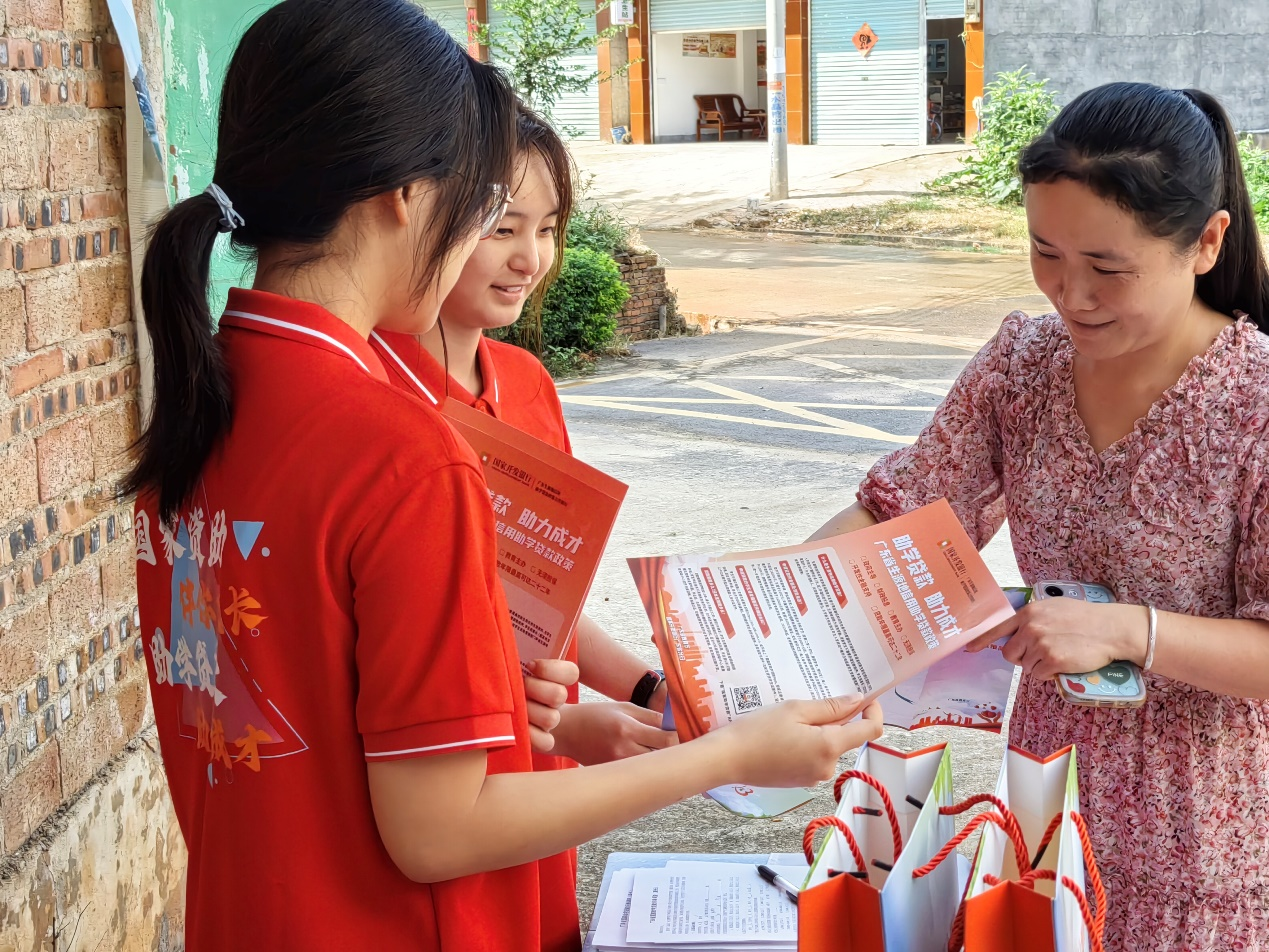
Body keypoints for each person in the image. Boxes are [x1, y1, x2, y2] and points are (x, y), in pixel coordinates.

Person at [127, 2, 884, 950]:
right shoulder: (400, 452)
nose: (508, 245)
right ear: (404, 193)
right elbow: (439, 832)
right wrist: (728, 755)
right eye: (483, 209)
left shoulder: (211, 398)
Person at [811, 82, 1269, 950]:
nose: (1070, 293)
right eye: (1044, 251)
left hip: (1207, 835)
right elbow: (896, 511)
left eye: (1106, 268)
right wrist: (746, 611)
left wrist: (1127, 630)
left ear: (1205, 242)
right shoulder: (1021, 365)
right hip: (1044, 802)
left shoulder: (1255, 407)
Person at [371, 108, 678, 770]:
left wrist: (650, 690)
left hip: (547, 770)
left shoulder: (527, 381)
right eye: (503, 229)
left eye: (547, 230)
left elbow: (541, 612)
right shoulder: (375, 397)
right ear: (425, 216)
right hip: (449, 776)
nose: (530, 258)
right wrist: (560, 729)